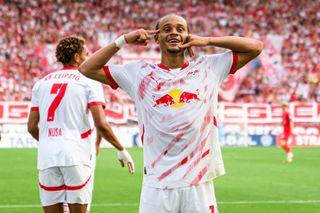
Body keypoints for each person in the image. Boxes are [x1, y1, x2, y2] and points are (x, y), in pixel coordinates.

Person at [79, 14, 263, 213]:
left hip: (198, 183)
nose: (174, 32)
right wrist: (124, 39)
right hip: (157, 185)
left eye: (180, 29)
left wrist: (207, 40)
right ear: (156, 38)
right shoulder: (139, 73)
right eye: (167, 29)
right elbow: (87, 68)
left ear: (187, 35)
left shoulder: (208, 67)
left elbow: (255, 47)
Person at [27, 36, 135, 213]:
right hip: (76, 155)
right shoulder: (89, 80)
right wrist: (121, 149)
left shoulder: (41, 83)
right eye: (86, 54)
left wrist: (50, 141)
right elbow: (101, 123)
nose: (89, 57)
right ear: (77, 57)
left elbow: (31, 127)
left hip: (47, 157)